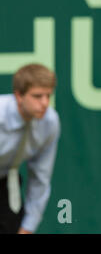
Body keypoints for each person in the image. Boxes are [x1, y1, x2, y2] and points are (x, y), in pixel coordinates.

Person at [0, 63, 60, 234]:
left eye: (48, 95)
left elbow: (40, 178)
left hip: (6, 184)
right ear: (19, 96)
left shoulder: (50, 122)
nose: (45, 103)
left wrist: (28, 227)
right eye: (37, 96)